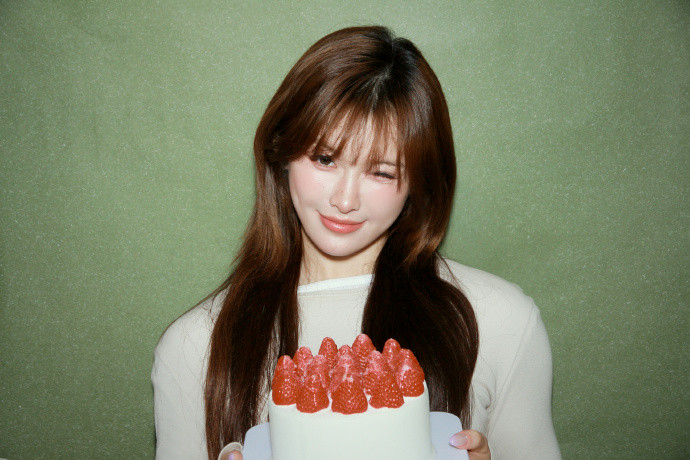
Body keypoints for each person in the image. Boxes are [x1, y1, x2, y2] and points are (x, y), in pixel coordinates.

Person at [152, 26, 560, 460]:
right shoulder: (194, 347)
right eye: (324, 158)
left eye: (381, 172)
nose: (344, 201)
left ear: (419, 182)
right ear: (281, 153)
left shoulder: (500, 321)